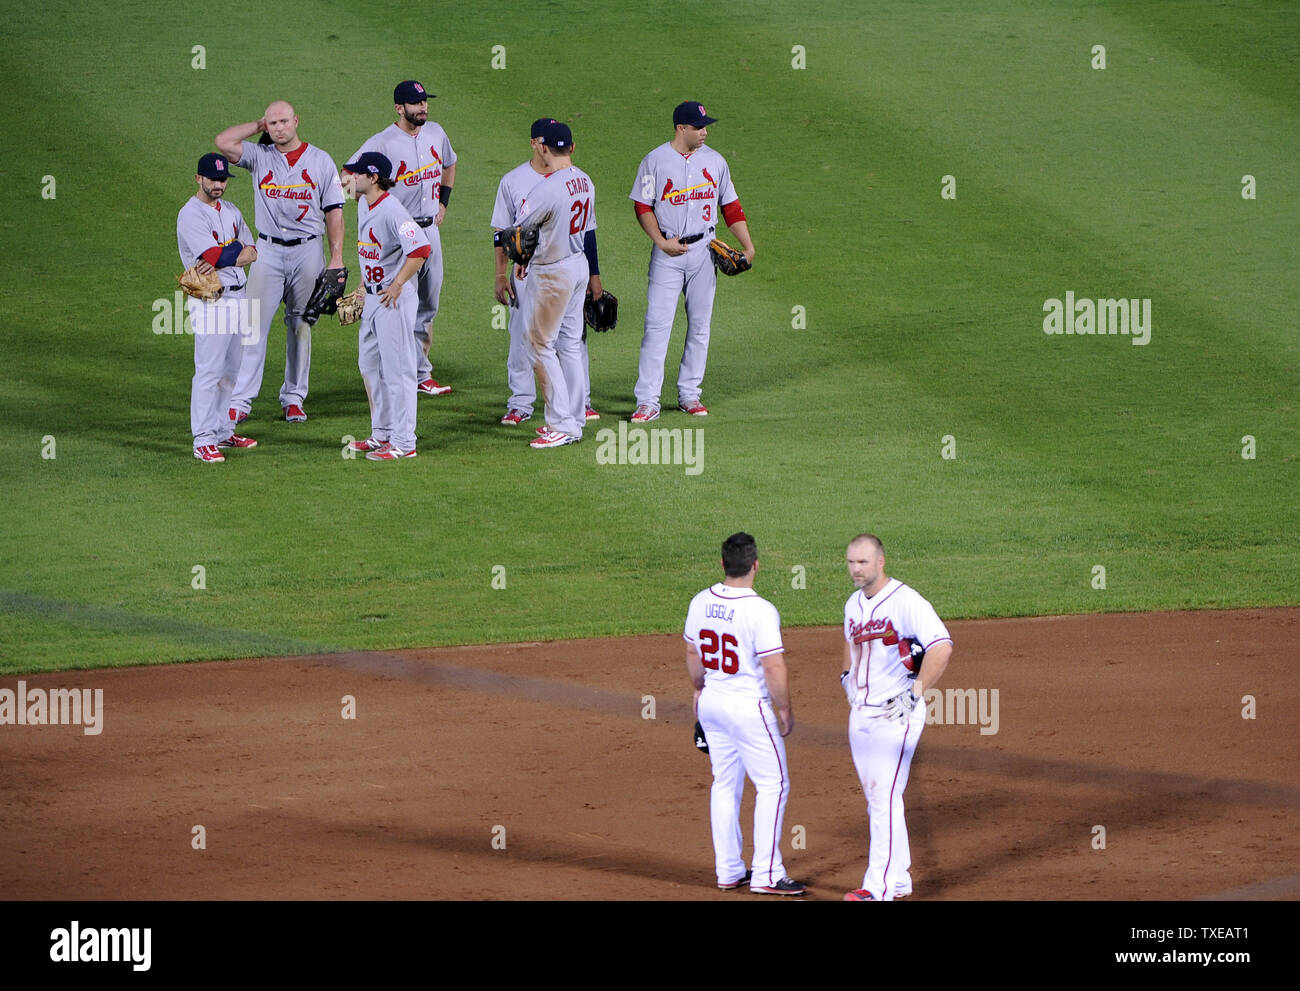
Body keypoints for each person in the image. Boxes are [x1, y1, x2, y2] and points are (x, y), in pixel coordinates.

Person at [684, 533, 805, 896]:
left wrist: (698, 688)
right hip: (748, 709)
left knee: (724, 783)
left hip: (713, 704)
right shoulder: (760, 610)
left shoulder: (700, 601)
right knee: (774, 785)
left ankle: (729, 870)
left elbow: (693, 654)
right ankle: (767, 873)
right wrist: (783, 707)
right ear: (755, 566)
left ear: (723, 564)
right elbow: (773, 666)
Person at [215, 100, 346, 424]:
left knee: (300, 325)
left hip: (307, 250)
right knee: (253, 326)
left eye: (283, 121)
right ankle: (241, 400)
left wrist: (337, 259)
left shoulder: (320, 161)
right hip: (267, 251)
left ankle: (293, 398)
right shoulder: (260, 157)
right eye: (272, 124)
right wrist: (258, 126)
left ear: (296, 121)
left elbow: (334, 212)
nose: (278, 128)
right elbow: (223, 142)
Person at [840, 534, 954, 901]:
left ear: (880, 562)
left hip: (896, 714)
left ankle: (879, 888)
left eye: (862, 562)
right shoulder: (853, 605)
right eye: (851, 562)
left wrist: (915, 693)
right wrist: (846, 678)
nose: (856, 569)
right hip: (860, 714)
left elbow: (941, 644)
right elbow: (850, 643)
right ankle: (900, 879)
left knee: (884, 797)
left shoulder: (906, 601)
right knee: (882, 798)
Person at [628, 101, 754, 423]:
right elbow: (643, 206)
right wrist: (660, 242)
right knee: (657, 326)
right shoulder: (654, 161)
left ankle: (689, 393)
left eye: (705, 126)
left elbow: (731, 207)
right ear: (681, 128)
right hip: (667, 253)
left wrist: (748, 247)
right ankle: (647, 401)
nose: (705, 132)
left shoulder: (716, 162)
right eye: (699, 127)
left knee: (700, 326)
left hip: (704, 253)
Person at [350, 80, 456, 397]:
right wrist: (366, 207)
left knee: (428, 304)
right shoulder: (382, 142)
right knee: (397, 300)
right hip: (399, 239)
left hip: (429, 232)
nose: (422, 107)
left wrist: (443, 202)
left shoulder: (436, 133)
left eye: (424, 101)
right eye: (415, 103)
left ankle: (420, 371)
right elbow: (347, 177)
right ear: (399, 108)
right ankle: (395, 368)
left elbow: (450, 164)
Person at [492, 118, 600, 426]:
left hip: (554, 271)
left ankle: (559, 422)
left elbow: (517, 233)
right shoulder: (585, 180)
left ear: (543, 147)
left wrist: (521, 260)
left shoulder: (547, 187)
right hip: (578, 265)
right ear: (572, 147)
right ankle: (576, 417)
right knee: (570, 344)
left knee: (539, 344)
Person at [340, 152, 431, 461]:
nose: (351, 178)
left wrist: (398, 283)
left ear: (374, 177)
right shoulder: (365, 202)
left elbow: (420, 248)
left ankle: (404, 443)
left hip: (393, 300)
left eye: (358, 173)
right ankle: (383, 433)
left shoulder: (393, 210)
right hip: (372, 298)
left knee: (399, 370)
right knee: (370, 366)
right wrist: (364, 287)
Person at [176, 153, 259, 462]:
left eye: (223, 179)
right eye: (212, 179)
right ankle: (203, 439)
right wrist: (230, 250)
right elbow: (217, 255)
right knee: (209, 371)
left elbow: (252, 250)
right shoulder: (190, 215)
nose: (218, 184)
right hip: (211, 302)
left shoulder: (232, 211)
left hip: (239, 297)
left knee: (231, 371)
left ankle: (223, 431)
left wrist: (229, 253)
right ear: (199, 178)